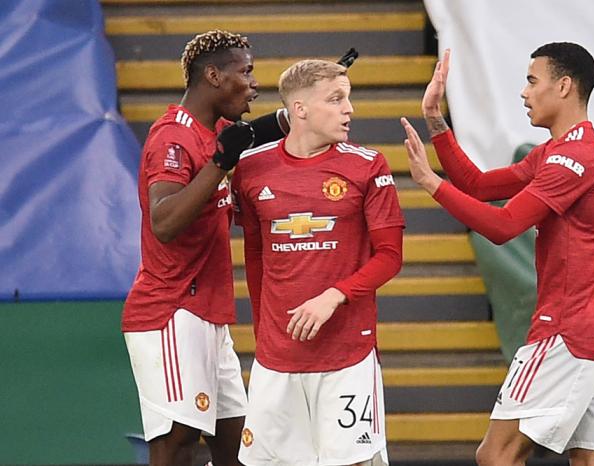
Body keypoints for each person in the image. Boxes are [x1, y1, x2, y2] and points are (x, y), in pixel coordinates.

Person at [402, 43, 594, 466]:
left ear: (563, 86)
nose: (524, 93)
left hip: (568, 332)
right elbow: (478, 185)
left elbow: (503, 225)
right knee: (593, 461)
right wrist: (435, 118)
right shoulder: (568, 150)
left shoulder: (571, 159)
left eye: (532, 81)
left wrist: (432, 184)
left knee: (497, 455)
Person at [231, 59, 405, 466]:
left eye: (348, 98)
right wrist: (263, 331)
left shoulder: (367, 165)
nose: (349, 109)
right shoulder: (251, 168)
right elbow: (255, 256)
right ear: (300, 109)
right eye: (336, 99)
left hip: (347, 354)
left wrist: (334, 295)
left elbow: (390, 256)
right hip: (277, 357)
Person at [121, 30, 280, 466]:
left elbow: (259, 132)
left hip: (209, 313)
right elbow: (164, 222)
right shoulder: (172, 137)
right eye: (245, 72)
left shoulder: (219, 132)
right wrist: (220, 164)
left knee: (238, 447)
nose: (254, 83)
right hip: (170, 311)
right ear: (213, 75)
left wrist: (311, 101)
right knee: (178, 442)